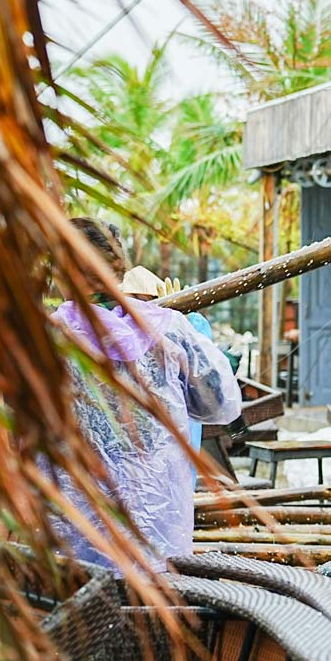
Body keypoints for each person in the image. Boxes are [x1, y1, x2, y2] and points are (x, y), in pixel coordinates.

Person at [51, 219, 241, 571]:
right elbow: (219, 406)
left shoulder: (44, 336)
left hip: (75, 517)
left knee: (84, 609)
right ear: (118, 269)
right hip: (156, 511)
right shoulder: (171, 328)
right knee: (154, 609)